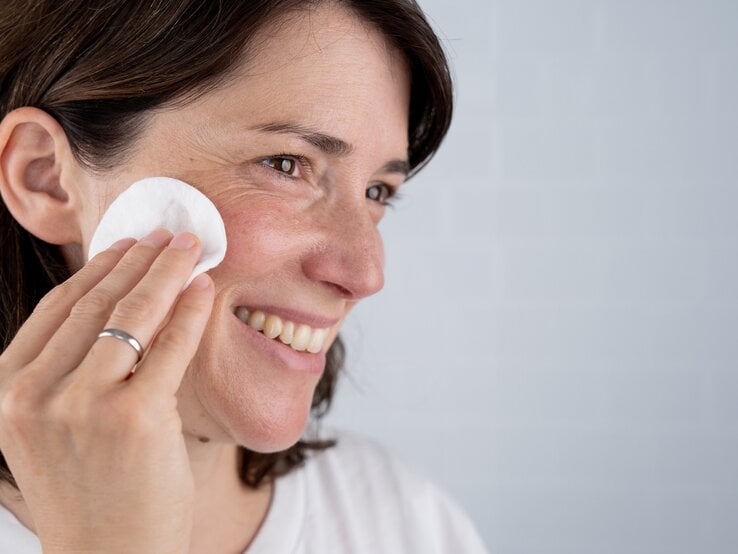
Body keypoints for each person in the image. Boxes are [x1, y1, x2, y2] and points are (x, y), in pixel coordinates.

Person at [0, 0, 487, 552]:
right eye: (285, 164)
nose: (366, 272)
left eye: (378, 192)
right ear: (44, 178)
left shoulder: (410, 526)